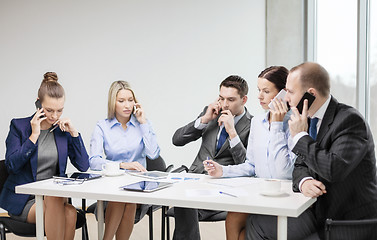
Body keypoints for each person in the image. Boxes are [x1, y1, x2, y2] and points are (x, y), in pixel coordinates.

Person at [245, 62, 377, 240]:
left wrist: (300, 136)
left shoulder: (349, 120)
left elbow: (333, 169)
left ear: (311, 94)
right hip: (317, 211)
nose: (286, 99)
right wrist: (304, 181)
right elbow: (299, 165)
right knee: (257, 223)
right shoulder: (308, 119)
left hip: (347, 220)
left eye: (290, 92)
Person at [203, 66, 296, 240]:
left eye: (266, 91)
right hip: (260, 194)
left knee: (245, 235)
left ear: (283, 93)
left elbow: (284, 173)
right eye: (259, 90)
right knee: (233, 218)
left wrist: (276, 124)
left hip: (284, 197)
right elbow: (251, 165)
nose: (260, 96)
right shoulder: (258, 122)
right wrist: (223, 171)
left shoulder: (295, 122)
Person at [0, 72, 89, 240]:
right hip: (25, 201)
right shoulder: (19, 127)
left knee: (69, 211)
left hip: (55, 199)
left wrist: (74, 133)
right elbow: (11, 165)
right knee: (63, 206)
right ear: (38, 103)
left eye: (59, 110)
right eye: (49, 110)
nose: (54, 116)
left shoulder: (63, 132)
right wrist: (33, 136)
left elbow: (84, 165)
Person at [172, 75, 253, 240]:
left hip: (225, 186)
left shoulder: (252, 124)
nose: (224, 104)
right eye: (221, 98)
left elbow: (246, 165)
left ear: (244, 99)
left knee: (185, 203)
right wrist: (204, 119)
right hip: (196, 180)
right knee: (184, 200)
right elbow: (177, 140)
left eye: (230, 99)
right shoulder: (210, 113)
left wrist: (232, 132)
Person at [89, 80, 160, 240]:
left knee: (128, 199)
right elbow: (93, 161)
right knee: (120, 197)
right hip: (112, 188)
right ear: (112, 103)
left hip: (139, 189)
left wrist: (143, 123)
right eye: (121, 101)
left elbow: (153, 154)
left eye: (130, 100)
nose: (127, 105)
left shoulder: (143, 124)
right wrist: (121, 165)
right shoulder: (102, 127)